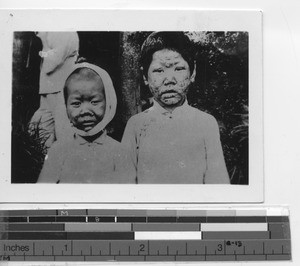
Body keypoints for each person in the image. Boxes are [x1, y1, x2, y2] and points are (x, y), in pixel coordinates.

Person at [122, 32, 230, 184]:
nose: (169, 80)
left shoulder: (206, 123)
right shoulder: (136, 125)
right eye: (159, 71)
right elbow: (125, 185)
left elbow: (218, 184)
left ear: (193, 72)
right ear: (145, 76)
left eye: (179, 69)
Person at [37, 62, 134, 183]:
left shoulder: (120, 152)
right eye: (76, 103)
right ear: (65, 106)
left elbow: (127, 195)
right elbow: (44, 191)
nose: (85, 111)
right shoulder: (58, 150)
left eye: (94, 102)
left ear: (108, 102)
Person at [29, 32, 79, 149]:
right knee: (43, 131)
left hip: (59, 88)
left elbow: (51, 63)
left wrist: (43, 42)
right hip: (49, 89)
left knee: (63, 131)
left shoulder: (64, 32)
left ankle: (67, 163)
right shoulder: (52, 32)